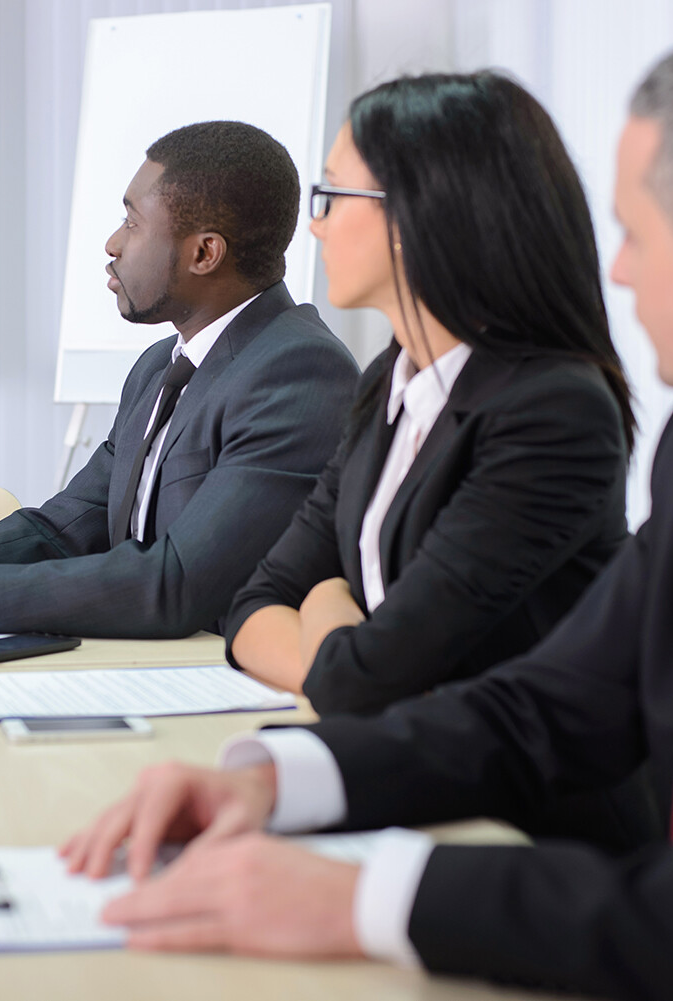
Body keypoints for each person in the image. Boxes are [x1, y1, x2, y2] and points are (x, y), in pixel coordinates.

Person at [61, 26, 673, 1001]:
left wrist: (364, 900)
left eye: (635, 235)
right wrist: (277, 779)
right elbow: (552, 702)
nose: (614, 273)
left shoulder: (589, 413)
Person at [0, 122, 359, 639]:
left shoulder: (299, 373)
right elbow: (61, 531)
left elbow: (175, 583)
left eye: (133, 223)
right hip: (141, 667)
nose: (113, 243)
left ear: (204, 253)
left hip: (226, 694)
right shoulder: (160, 367)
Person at [227, 73, 635, 720]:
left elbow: (366, 676)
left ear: (413, 212)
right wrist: (340, 656)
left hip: (516, 809)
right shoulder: (390, 381)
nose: (315, 225)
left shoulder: (553, 411)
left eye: (332, 195)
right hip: (397, 769)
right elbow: (254, 607)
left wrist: (327, 602)